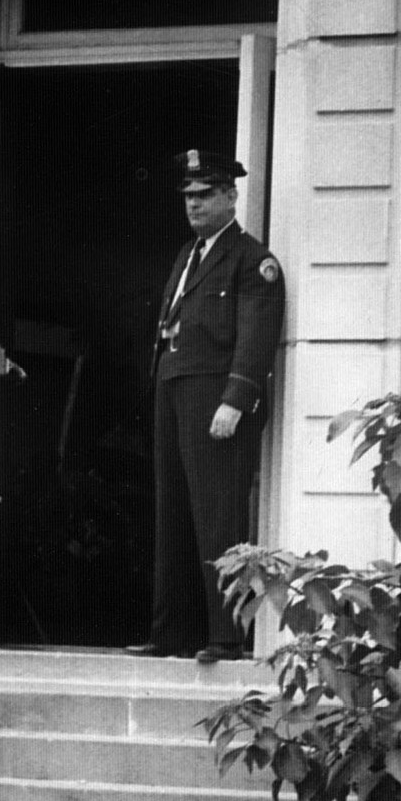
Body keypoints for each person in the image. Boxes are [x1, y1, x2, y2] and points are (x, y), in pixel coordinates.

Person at [128, 150, 286, 665]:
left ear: (231, 197)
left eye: (204, 195)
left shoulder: (250, 259)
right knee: (171, 512)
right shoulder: (188, 254)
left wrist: (234, 401)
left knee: (218, 514)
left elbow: (256, 336)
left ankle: (226, 636)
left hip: (214, 400)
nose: (194, 205)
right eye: (188, 196)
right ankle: (169, 630)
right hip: (174, 389)